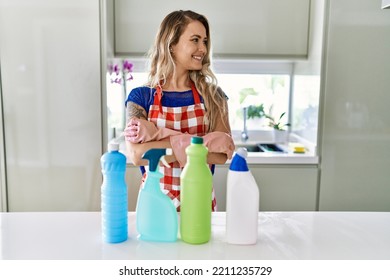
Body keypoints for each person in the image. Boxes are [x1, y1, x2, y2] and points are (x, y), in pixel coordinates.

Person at [124, 10, 235, 211]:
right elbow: (137, 154)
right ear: (171, 45)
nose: (203, 48)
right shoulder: (141, 97)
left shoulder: (214, 96)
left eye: (205, 41)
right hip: (155, 205)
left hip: (199, 202)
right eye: (195, 40)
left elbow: (221, 153)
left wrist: (163, 145)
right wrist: (200, 145)